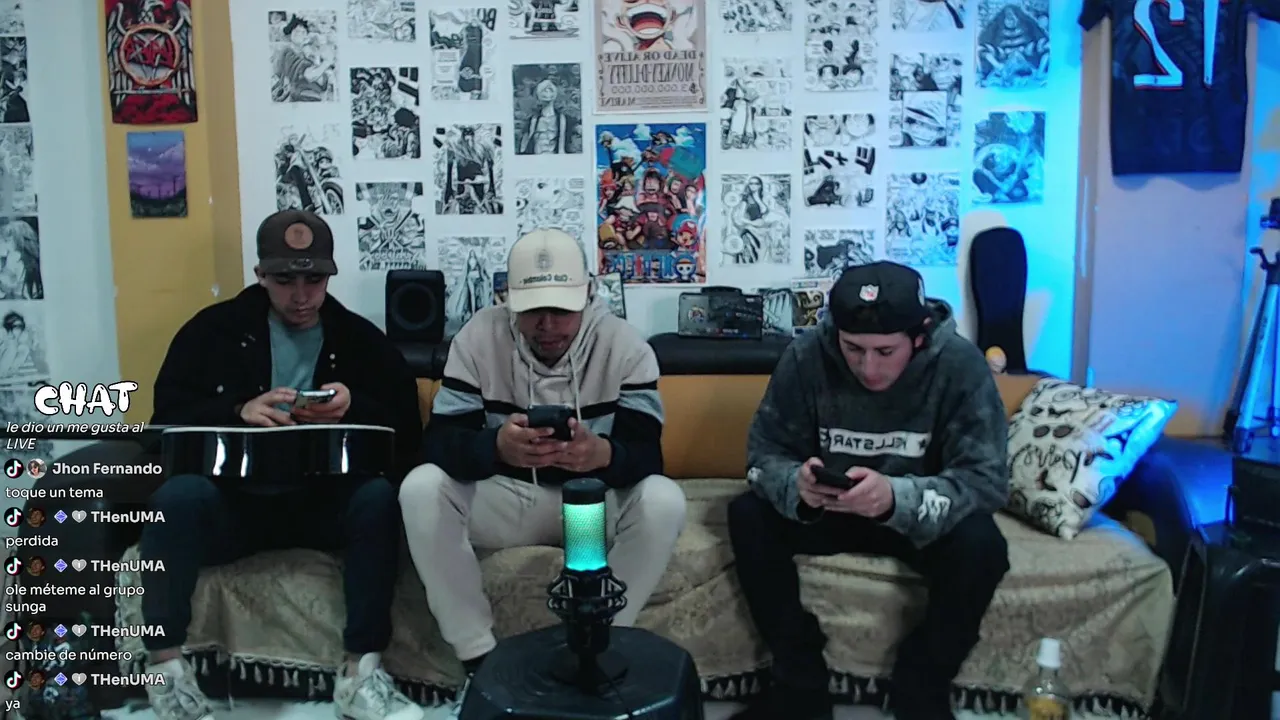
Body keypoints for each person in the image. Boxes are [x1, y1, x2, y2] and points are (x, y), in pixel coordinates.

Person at [140, 210, 425, 720]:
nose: (300, 295)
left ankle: (360, 672)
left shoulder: (359, 339)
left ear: (329, 276)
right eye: (284, 280)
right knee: (175, 499)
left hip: (322, 504)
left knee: (376, 498)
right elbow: (161, 428)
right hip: (233, 504)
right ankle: (166, 671)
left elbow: (409, 434)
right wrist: (237, 411)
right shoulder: (211, 332)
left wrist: (353, 406)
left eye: (313, 280)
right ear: (260, 275)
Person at [399, 229, 687, 697]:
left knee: (664, 499)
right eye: (533, 309)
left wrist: (602, 454)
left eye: (562, 309)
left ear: (588, 296)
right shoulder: (478, 338)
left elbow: (648, 456)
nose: (547, 325)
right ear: (509, 300)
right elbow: (439, 446)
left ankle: (599, 645)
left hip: (591, 508)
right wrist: (496, 447)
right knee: (420, 486)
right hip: (508, 500)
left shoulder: (626, 347)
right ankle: (479, 661)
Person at [728, 262, 1011, 720]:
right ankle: (800, 686)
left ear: (919, 335)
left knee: (983, 545)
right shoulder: (805, 355)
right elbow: (764, 455)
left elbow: (986, 480)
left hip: (915, 514)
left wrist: (898, 498)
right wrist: (796, 486)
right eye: (853, 349)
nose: (868, 367)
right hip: (830, 508)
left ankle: (922, 687)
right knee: (747, 515)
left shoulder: (961, 364)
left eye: (885, 351)